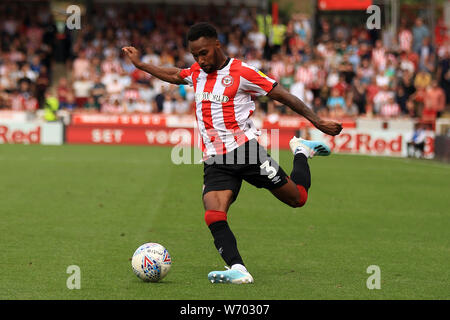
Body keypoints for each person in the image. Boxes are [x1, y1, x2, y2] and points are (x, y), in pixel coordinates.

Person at [122, 22, 342, 284]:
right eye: (195, 55)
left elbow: (283, 95)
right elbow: (174, 74)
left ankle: (302, 151)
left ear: (217, 45)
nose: (200, 60)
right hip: (215, 160)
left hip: (247, 153)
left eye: (204, 53)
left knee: (298, 199)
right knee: (213, 213)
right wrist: (142, 66)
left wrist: (316, 121)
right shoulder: (197, 72)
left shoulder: (243, 72)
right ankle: (238, 268)